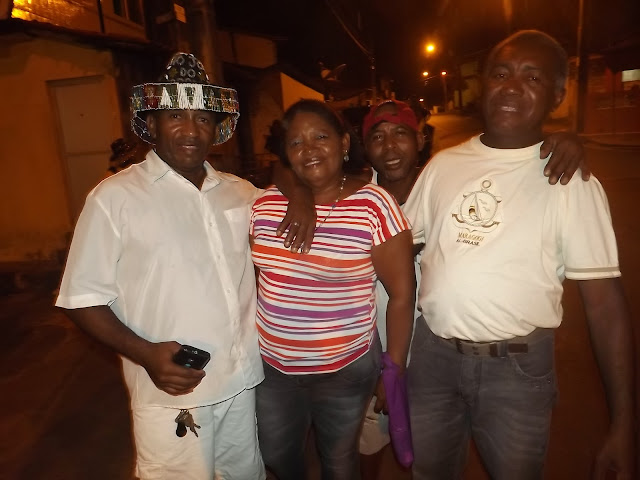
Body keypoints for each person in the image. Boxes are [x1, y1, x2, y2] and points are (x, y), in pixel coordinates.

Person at [55, 53, 312, 480]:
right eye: (176, 115)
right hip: (172, 393)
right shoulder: (114, 198)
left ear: (216, 129)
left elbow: (281, 180)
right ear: (152, 124)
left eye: (203, 118)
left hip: (241, 383)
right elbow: (81, 299)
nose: (191, 130)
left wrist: (299, 192)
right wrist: (146, 354)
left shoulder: (240, 192)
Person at [404, 30, 636, 479]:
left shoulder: (570, 181)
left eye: (532, 77)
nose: (511, 87)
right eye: (500, 74)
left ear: (557, 94)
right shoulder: (443, 165)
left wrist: (624, 424)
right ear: (484, 84)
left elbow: (606, 308)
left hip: (515, 373)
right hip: (432, 358)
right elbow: (392, 242)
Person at [357, 98, 590, 478]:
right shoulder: (355, 199)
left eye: (400, 133)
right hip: (385, 348)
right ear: (365, 146)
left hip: (437, 353)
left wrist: (564, 141)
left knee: (442, 450)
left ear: (420, 139)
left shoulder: (447, 179)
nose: (390, 145)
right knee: (373, 439)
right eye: (377, 136)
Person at [249, 99, 416, 480]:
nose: (308, 149)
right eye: (296, 142)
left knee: (339, 460)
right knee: (276, 452)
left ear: (343, 143)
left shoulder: (374, 205)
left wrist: (393, 370)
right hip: (273, 366)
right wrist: (298, 194)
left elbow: (402, 296)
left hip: (346, 367)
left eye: (320, 137)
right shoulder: (263, 204)